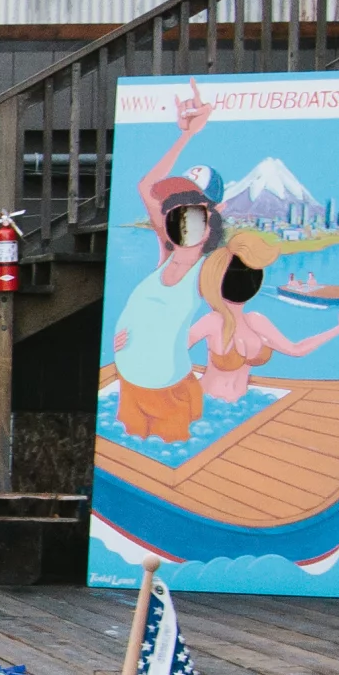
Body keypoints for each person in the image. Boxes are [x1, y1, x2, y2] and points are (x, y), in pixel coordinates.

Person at [111, 82, 222, 442]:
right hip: (130, 381)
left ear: (211, 215)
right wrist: (187, 136)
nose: (180, 211)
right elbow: (146, 187)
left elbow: (231, 308)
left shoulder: (208, 266)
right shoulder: (167, 249)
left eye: (192, 204)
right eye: (177, 203)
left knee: (172, 471)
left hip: (168, 388)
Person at [189, 227, 339, 402]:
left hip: (243, 404)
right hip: (207, 403)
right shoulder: (213, 321)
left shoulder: (256, 321)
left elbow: (296, 350)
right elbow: (171, 350)